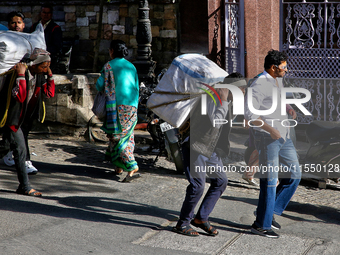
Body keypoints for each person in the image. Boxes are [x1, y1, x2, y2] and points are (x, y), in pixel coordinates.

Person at [172, 73, 245, 237]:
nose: (244, 92)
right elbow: (216, 121)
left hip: (210, 149)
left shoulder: (227, 99)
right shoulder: (211, 97)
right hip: (196, 146)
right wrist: (225, 100)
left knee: (221, 181)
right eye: (241, 89)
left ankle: (201, 218)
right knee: (197, 186)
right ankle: (182, 223)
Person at [244, 49, 301, 238]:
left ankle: (270, 212)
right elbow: (250, 116)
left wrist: (289, 108)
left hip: (283, 135)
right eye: (284, 67)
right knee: (269, 181)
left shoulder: (278, 79)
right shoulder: (258, 85)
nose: (287, 70)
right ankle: (261, 224)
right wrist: (271, 130)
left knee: (294, 174)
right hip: (268, 138)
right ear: (273, 67)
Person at [0, 49, 55, 196]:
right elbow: (21, 96)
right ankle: (24, 186)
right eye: (43, 66)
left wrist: (49, 74)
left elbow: (49, 93)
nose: (45, 69)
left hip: (21, 120)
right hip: (11, 119)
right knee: (20, 150)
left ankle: (23, 186)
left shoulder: (39, 75)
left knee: (5, 148)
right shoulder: (19, 74)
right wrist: (19, 75)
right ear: (34, 64)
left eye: (47, 66)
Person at [2, 11, 42, 174]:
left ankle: (16, 157)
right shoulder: (5, 41)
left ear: (24, 25)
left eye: (19, 22)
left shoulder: (29, 41)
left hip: (29, 87)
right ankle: (20, 160)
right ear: (8, 25)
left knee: (23, 124)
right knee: (14, 125)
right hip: (10, 89)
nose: (16, 25)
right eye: (13, 22)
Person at [95, 40, 140, 183]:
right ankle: (118, 165)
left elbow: (99, 85)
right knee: (128, 135)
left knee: (118, 136)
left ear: (112, 51)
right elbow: (136, 87)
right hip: (132, 106)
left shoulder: (108, 66)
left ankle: (132, 165)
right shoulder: (132, 67)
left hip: (116, 107)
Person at [30, 4, 63, 72]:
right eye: (44, 12)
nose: (46, 15)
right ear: (41, 13)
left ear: (51, 14)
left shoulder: (55, 28)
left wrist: (43, 51)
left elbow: (56, 46)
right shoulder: (35, 26)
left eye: (48, 13)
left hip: (48, 55)